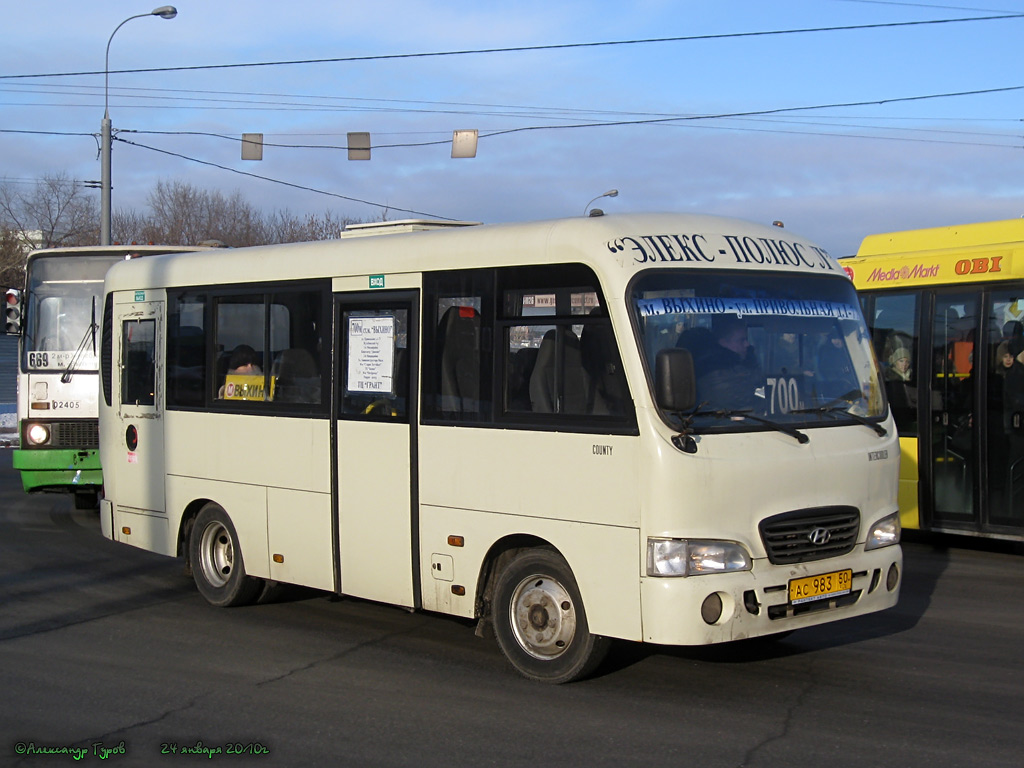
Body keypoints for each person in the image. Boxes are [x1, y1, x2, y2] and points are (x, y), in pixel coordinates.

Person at [693, 314, 760, 409]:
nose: (747, 344)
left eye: (747, 339)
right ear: (723, 343)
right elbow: (737, 402)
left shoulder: (743, 364)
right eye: (741, 340)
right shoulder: (714, 369)